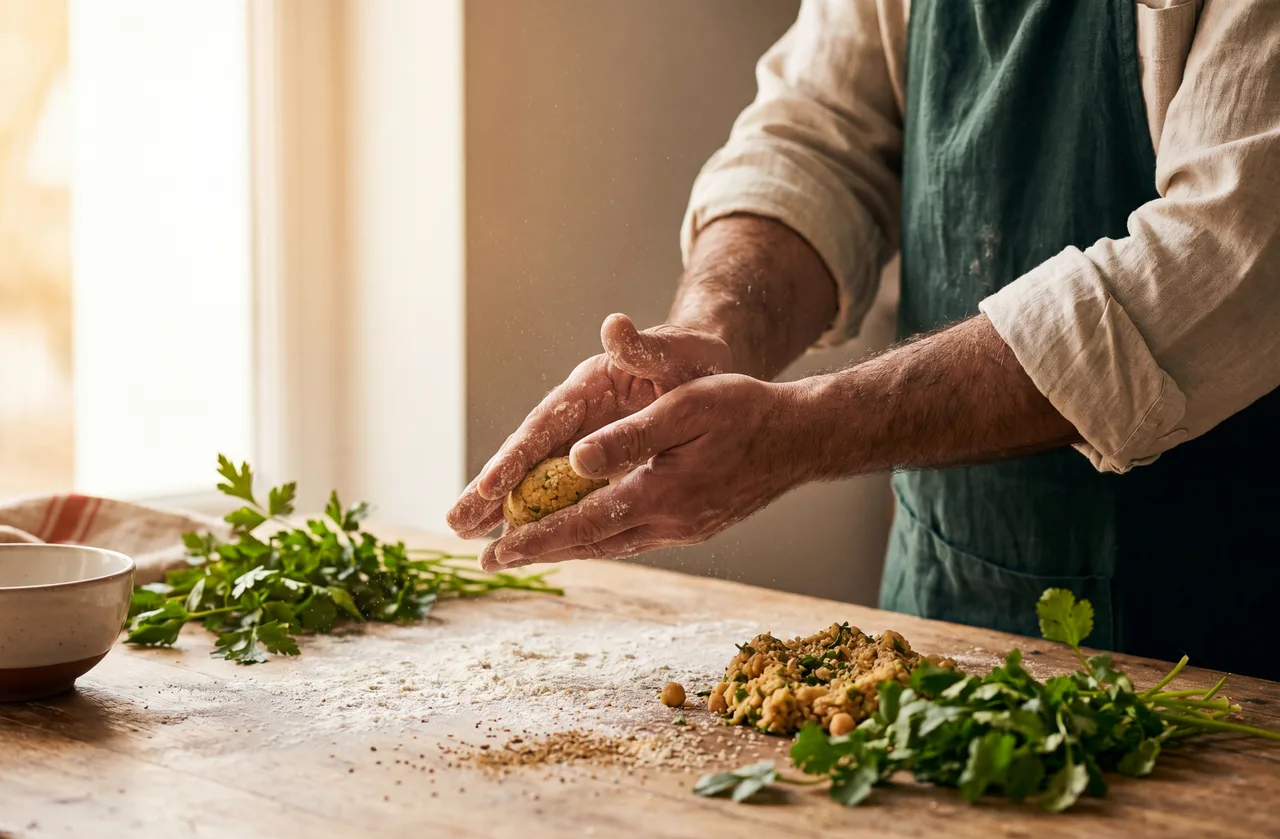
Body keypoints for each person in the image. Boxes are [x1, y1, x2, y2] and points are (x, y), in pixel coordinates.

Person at [448, 0, 1280, 680]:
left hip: (1217, 624)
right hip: (945, 590)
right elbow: (819, 138)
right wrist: (712, 327)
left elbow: (1223, 259)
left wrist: (804, 431)